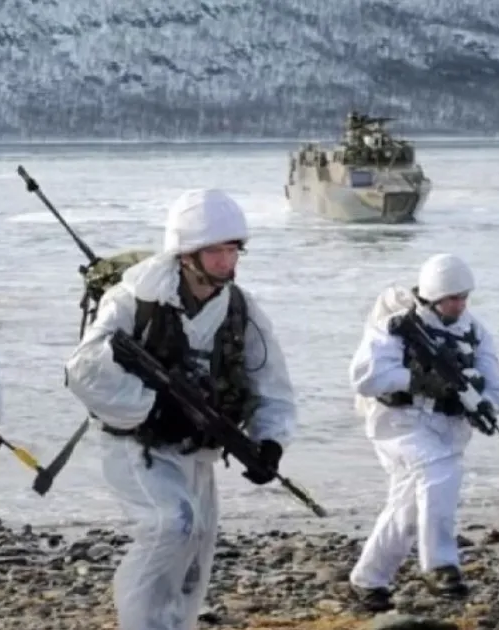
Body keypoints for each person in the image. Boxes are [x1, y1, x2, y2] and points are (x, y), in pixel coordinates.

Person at [64, 189, 298, 630]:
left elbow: (272, 384)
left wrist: (270, 441)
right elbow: (83, 370)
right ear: (186, 253)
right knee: (173, 525)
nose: (227, 262)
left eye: (233, 250)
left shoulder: (241, 308)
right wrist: (151, 409)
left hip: (199, 452)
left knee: (196, 560)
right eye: (216, 251)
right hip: (137, 446)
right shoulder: (135, 298)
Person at [347, 254, 499, 612]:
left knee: (406, 510)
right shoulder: (396, 327)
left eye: (464, 297)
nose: (459, 304)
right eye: (452, 298)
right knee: (439, 472)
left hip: (449, 428)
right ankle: (440, 565)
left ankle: (368, 580)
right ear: (432, 297)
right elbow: (365, 377)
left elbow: (495, 384)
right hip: (399, 425)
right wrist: (420, 381)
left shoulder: (474, 330)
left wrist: (485, 406)